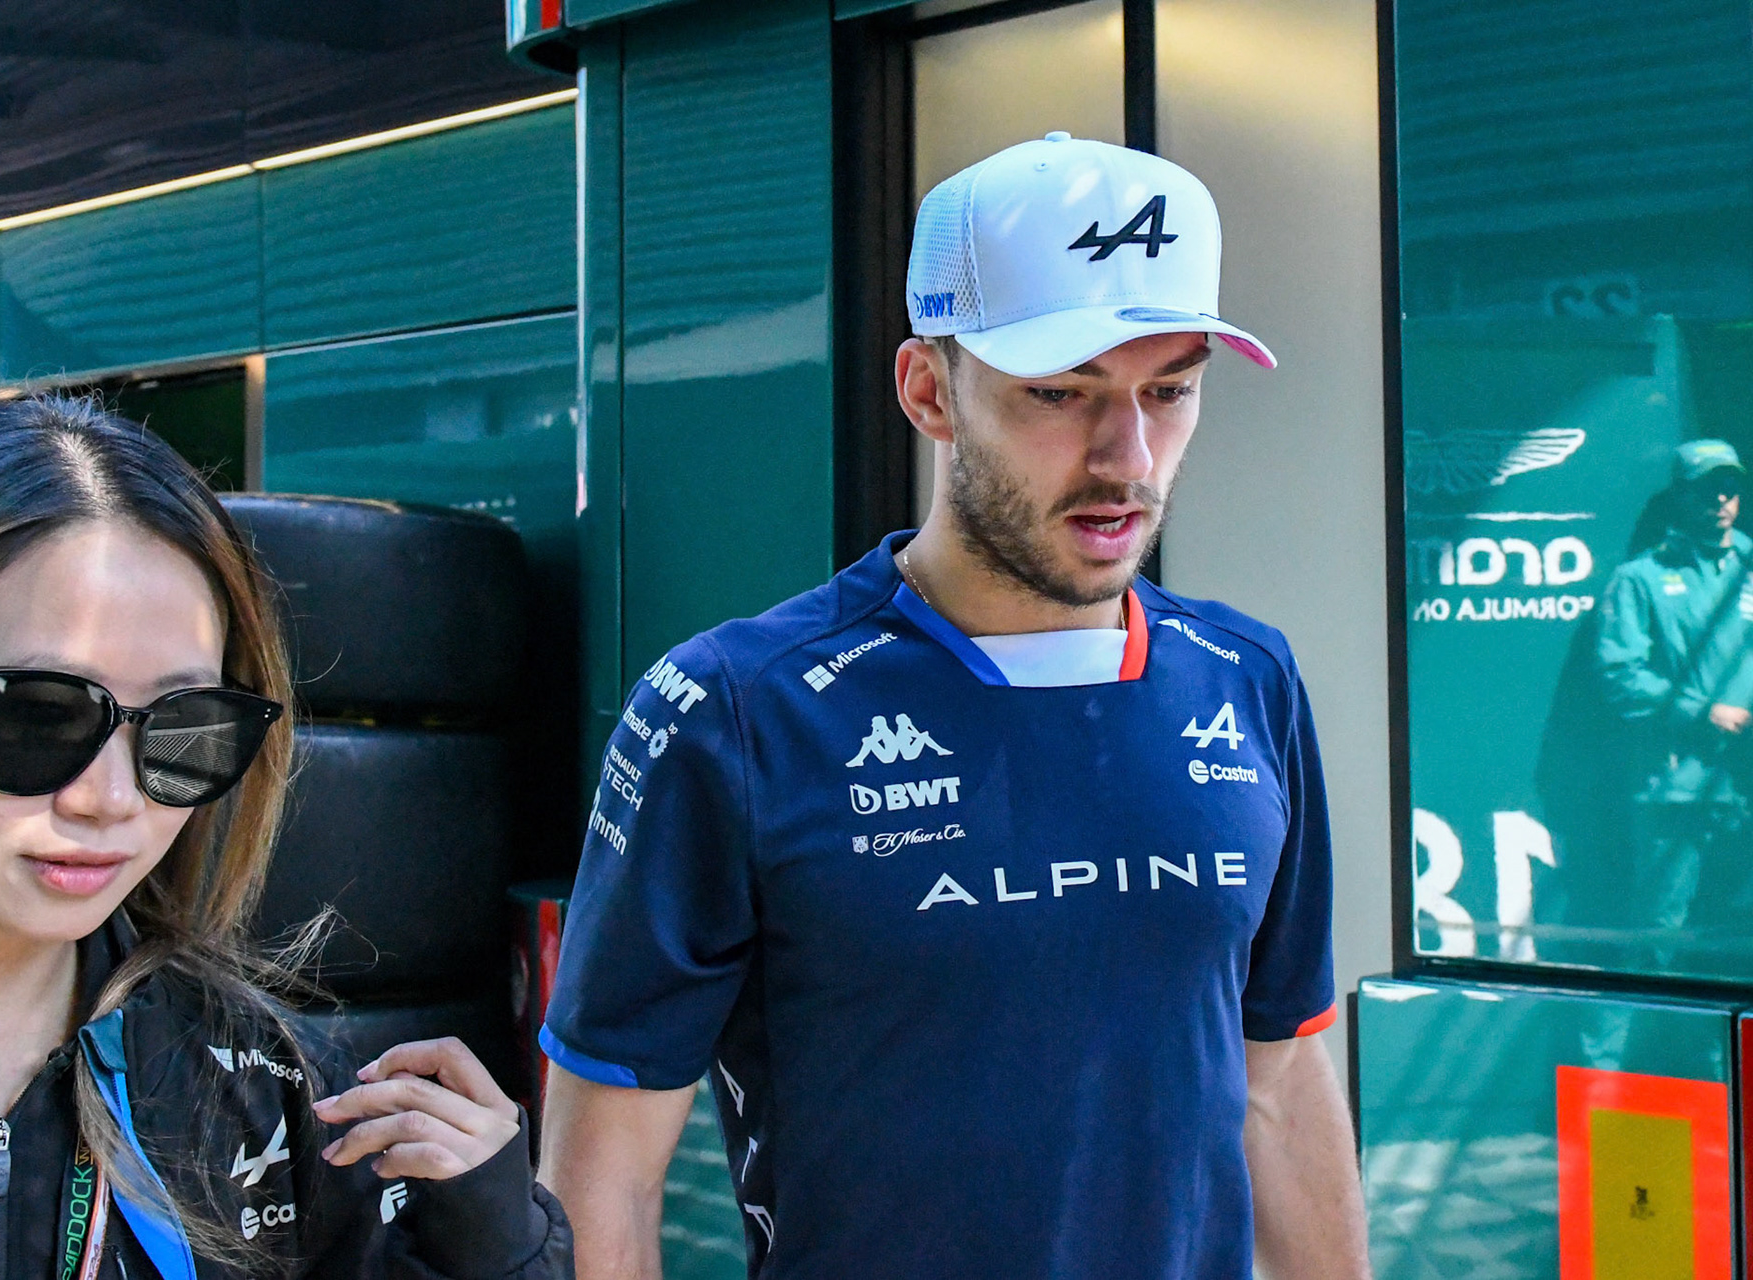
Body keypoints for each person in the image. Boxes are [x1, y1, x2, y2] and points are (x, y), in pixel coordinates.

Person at [538, 135, 1368, 1278]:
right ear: (929, 389)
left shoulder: (1247, 675)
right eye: (1060, 393)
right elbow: (607, 1174)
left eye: (1168, 390)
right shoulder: (734, 711)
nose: (1128, 456)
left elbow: (1279, 1080)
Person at [0, 395, 572, 1279]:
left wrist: (495, 1250)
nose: (110, 799)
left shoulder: (264, 1083)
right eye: (39, 714)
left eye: (183, 730)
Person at [1595, 439, 1753, 964]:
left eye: (1730, 488)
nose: (1722, 500)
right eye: (1708, 490)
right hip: (1677, 789)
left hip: (1744, 786)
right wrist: (1702, 712)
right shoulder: (1640, 578)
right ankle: (1626, 1048)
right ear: (1681, 496)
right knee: (1662, 935)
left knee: (1737, 939)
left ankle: (1719, 1051)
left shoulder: (1750, 564)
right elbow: (1620, 677)